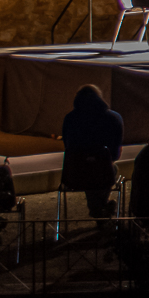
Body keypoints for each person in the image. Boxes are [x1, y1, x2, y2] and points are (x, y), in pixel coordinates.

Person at [60, 84, 122, 220]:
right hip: (102, 171)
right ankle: (100, 209)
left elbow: (68, 146)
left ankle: (98, 209)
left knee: (89, 169)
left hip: (75, 174)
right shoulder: (114, 118)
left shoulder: (69, 119)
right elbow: (116, 153)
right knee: (107, 169)